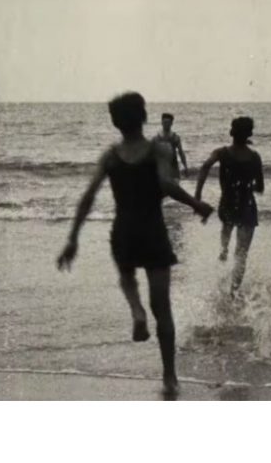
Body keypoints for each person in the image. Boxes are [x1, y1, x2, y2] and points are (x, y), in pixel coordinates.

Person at [57, 92, 213, 397]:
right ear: (144, 117)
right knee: (163, 309)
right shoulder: (158, 150)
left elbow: (88, 196)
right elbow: (167, 184)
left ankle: (136, 310)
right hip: (152, 230)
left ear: (116, 123)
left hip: (124, 231)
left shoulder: (111, 156)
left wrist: (73, 238)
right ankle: (169, 376)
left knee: (126, 276)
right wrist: (196, 204)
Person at [195, 117, 264, 298]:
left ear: (231, 132)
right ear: (249, 134)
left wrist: (197, 195)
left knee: (227, 227)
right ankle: (233, 292)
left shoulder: (222, 153)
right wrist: (248, 187)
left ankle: (224, 249)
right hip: (247, 206)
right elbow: (260, 187)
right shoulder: (254, 157)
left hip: (227, 204)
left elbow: (204, 167)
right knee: (241, 254)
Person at [152, 112, 188, 180]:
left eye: (168, 122)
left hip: (173, 167)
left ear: (171, 123)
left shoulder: (175, 138)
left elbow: (181, 152)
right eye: (164, 122)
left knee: (175, 185)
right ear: (161, 123)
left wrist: (185, 166)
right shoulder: (156, 138)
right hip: (161, 168)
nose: (166, 124)